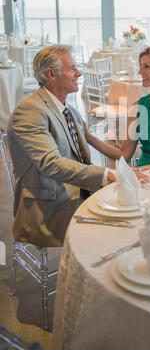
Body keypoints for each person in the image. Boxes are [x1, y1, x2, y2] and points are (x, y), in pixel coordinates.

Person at [7, 45, 117, 248]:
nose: (79, 73)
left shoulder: (70, 110)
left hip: (77, 194)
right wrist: (106, 176)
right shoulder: (30, 111)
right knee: (120, 228)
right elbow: (51, 164)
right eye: (72, 68)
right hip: (49, 208)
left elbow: (85, 153)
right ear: (51, 74)